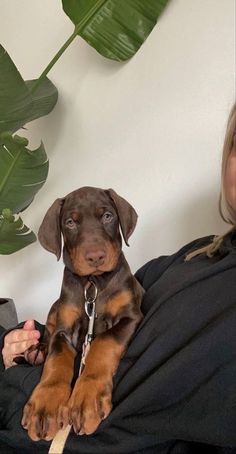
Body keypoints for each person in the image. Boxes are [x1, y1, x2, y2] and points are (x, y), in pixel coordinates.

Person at [0, 103, 236, 454]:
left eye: (107, 218)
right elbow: (65, 336)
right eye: (73, 223)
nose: (94, 249)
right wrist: (25, 353)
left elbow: (126, 326)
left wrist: (24, 381)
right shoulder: (192, 256)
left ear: (121, 225)